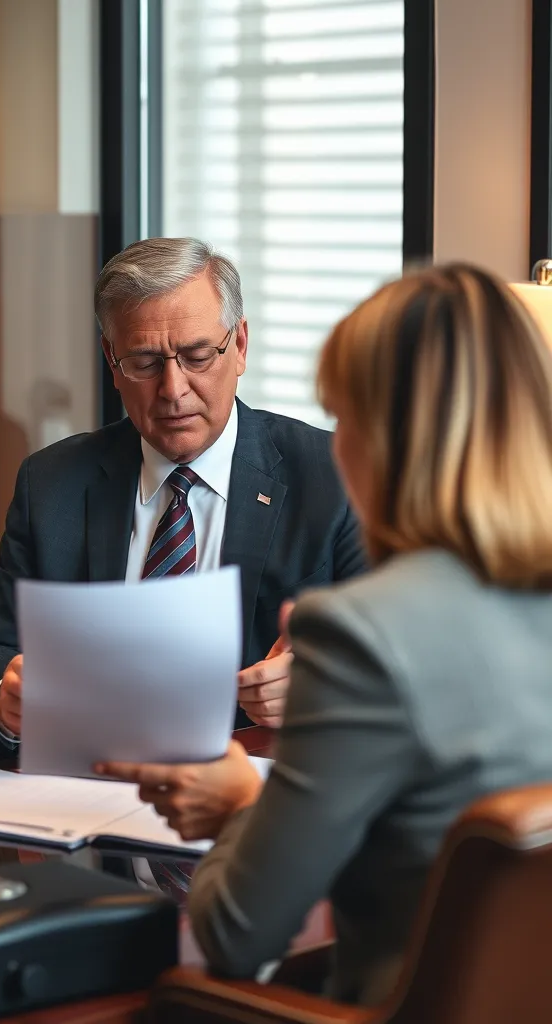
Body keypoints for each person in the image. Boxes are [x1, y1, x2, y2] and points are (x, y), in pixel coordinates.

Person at [99, 263, 552, 1006]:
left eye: (344, 418)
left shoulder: (366, 634)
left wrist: (245, 805)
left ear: (382, 437)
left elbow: (234, 934)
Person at [0, 237, 365, 747]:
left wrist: (320, 685)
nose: (173, 389)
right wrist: (8, 698)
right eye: (146, 363)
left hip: (255, 790)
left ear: (239, 346)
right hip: (90, 781)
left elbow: (401, 664)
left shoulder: (335, 476)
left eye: (196, 356)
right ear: (112, 361)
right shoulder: (53, 482)